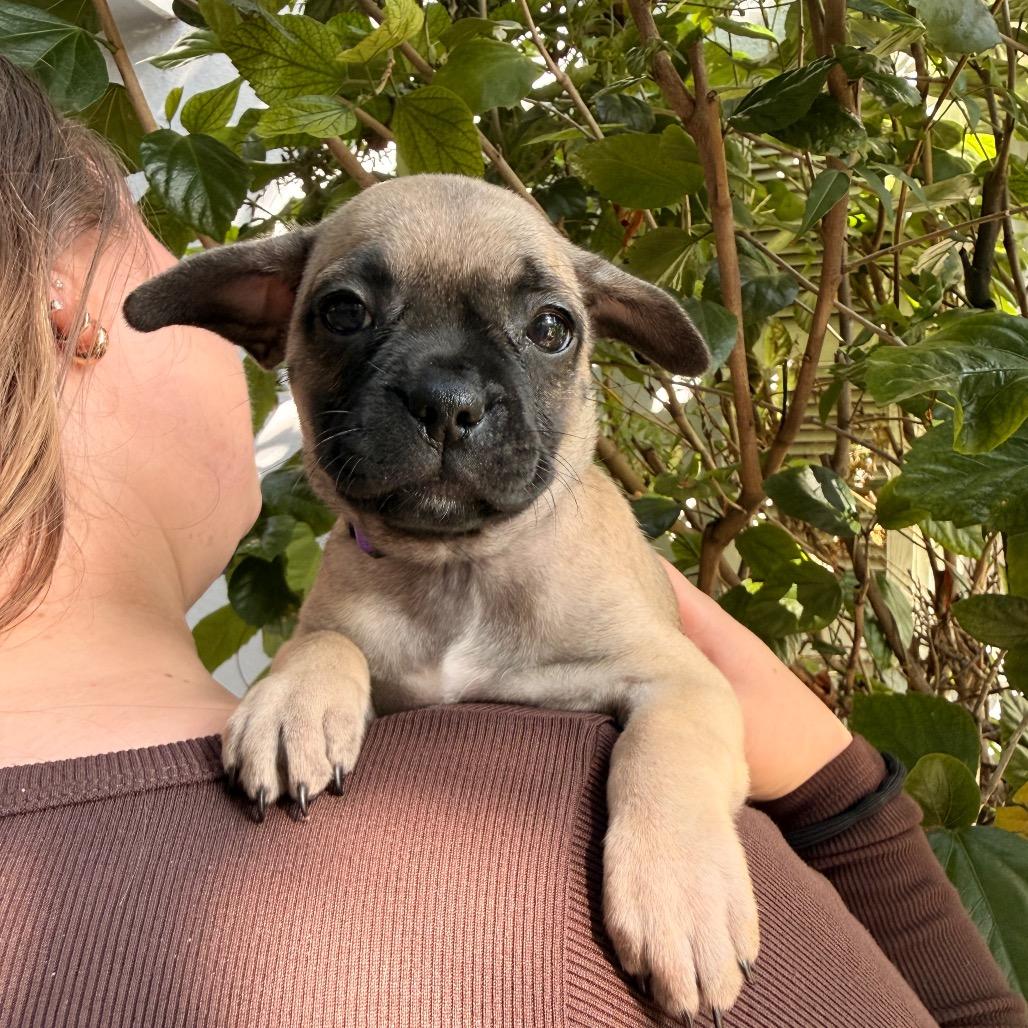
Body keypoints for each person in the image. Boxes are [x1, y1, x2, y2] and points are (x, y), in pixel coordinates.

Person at [0, 57, 1023, 1028]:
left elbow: (685, 690)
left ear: (602, 330)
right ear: (264, 309)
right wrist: (322, 656)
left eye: (542, 329)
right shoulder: (353, 590)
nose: (449, 396)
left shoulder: (598, 575)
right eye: (349, 315)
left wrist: (692, 807)